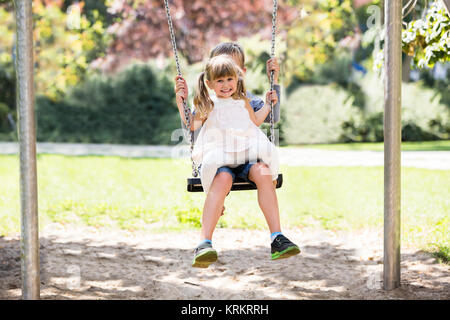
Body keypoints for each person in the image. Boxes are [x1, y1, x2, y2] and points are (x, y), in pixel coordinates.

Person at [175, 54, 300, 269]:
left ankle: (277, 238)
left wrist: (269, 105)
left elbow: (255, 121)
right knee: (222, 179)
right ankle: (204, 243)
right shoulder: (208, 103)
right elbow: (191, 124)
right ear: (210, 83)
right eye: (220, 81)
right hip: (220, 156)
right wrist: (181, 100)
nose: (226, 85)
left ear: (237, 79)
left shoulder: (243, 101)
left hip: (246, 154)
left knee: (263, 172)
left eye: (230, 79)